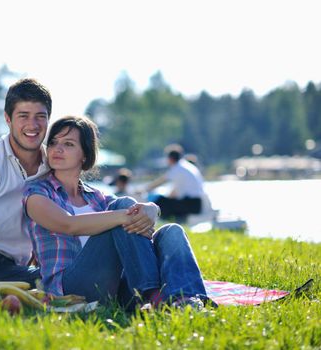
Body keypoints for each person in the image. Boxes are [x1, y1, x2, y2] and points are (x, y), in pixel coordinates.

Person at [0, 79, 163, 317]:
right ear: (8, 119)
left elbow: (88, 200)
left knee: (50, 288)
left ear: (48, 119)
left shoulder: (54, 160)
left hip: (17, 267)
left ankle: (144, 295)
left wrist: (149, 207)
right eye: (23, 115)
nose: (32, 125)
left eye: (40, 116)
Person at [23, 116, 211, 309]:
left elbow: (136, 217)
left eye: (68, 144)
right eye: (53, 143)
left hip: (116, 288)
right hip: (70, 288)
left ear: (85, 155)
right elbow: (68, 224)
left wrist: (153, 208)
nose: (57, 149)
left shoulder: (98, 197)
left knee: (172, 232)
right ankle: (151, 295)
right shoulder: (37, 191)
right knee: (124, 206)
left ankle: (188, 301)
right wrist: (124, 215)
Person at [146, 144, 205, 222]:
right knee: (168, 201)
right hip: (197, 203)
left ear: (170, 158)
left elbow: (161, 181)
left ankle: (164, 223)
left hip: (192, 204)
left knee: (159, 202)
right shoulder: (186, 165)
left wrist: (146, 189)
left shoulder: (177, 168)